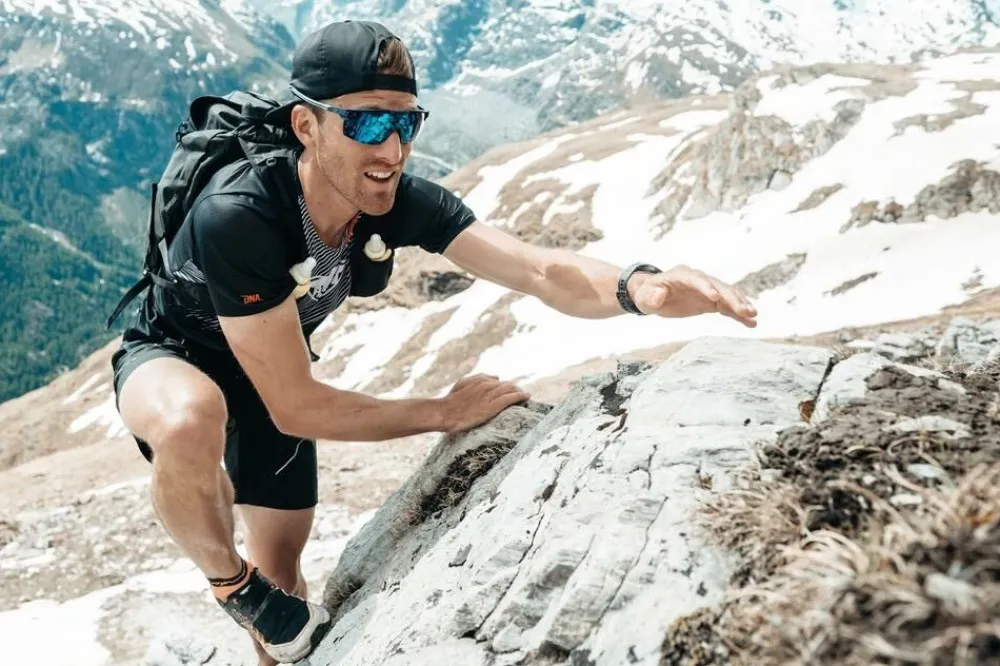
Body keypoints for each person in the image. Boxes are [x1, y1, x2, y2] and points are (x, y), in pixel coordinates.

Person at [109, 18, 758, 666]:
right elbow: (298, 407)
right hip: (174, 356)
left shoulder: (390, 200)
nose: (392, 149)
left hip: (274, 373)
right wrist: (441, 413)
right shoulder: (240, 214)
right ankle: (231, 583)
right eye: (366, 124)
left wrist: (641, 288)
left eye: (406, 123)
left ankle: (265, 615)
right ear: (306, 125)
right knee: (191, 421)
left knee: (286, 602)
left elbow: (536, 270)